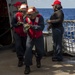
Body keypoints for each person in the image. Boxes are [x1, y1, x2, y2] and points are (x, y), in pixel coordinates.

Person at [23, 7, 45, 74]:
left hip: (38, 37)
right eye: (28, 14)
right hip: (30, 37)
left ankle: (38, 59)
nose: (29, 16)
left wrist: (32, 26)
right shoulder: (26, 19)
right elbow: (24, 29)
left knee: (41, 52)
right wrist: (25, 29)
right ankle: (27, 66)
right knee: (27, 51)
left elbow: (41, 27)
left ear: (35, 14)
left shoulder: (40, 17)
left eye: (31, 14)